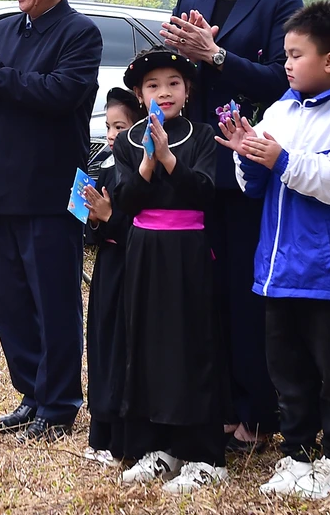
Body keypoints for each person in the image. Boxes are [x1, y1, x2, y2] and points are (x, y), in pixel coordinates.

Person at [223, 1, 330, 499]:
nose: (287, 63)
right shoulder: (278, 110)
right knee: (286, 369)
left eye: (296, 54)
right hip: (278, 267)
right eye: (285, 55)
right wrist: (249, 156)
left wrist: (281, 158)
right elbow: (255, 185)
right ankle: (297, 453)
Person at [162, 0, 302, 447]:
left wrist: (215, 55)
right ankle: (216, 403)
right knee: (206, 288)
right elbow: (179, 75)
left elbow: (282, 78)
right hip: (193, 160)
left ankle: (259, 413)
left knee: (248, 291)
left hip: (247, 164)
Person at [0, 0, 103, 442]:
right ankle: (31, 395)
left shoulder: (80, 34)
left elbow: (58, 95)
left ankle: (60, 405)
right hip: (3, 184)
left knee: (55, 299)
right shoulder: (4, 30)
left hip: (54, 189)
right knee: (13, 301)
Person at [113, 48, 225, 493]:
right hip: (144, 250)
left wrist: (169, 158)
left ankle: (203, 454)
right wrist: (146, 159)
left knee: (191, 343)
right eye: (153, 85)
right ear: (140, 95)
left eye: (173, 84)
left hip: (188, 249)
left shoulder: (203, 135)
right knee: (146, 341)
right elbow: (126, 202)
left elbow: (206, 193)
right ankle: (157, 447)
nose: (164, 92)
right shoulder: (126, 140)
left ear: (188, 90)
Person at [82, 87, 145, 466]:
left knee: (124, 346)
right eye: (108, 126)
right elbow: (91, 232)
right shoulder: (105, 167)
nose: (110, 135)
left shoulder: (145, 172)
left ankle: (123, 439)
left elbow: (141, 226)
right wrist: (91, 217)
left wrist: (110, 217)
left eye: (119, 127)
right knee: (102, 343)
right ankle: (101, 433)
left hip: (133, 268)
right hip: (107, 268)